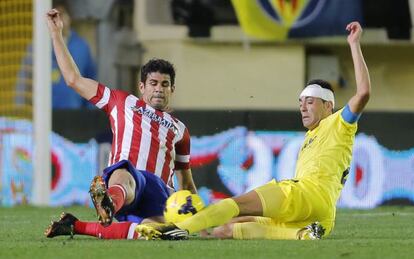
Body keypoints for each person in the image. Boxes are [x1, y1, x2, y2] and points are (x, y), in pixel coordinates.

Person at [134, 21, 371, 240]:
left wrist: (354, 44)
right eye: (301, 103)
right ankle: (303, 235)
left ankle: (177, 229)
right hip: (324, 215)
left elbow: (363, 94)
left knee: (235, 204)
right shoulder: (313, 136)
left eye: (310, 102)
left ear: (328, 105)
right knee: (228, 228)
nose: (303, 108)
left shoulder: (338, 122)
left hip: (303, 195)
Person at [44, 7, 197, 238]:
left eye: (164, 84)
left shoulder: (180, 129)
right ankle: (108, 205)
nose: (158, 89)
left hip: (160, 193)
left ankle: (76, 225)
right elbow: (73, 79)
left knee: (156, 232)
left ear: (172, 89)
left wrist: (199, 215)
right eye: (153, 83)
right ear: (142, 87)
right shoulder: (121, 101)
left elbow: (186, 182)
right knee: (125, 171)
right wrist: (56, 34)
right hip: (128, 182)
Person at [16, 1, 97, 109]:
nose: (58, 19)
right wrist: (20, 109)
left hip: (74, 115)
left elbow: (91, 80)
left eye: (62, 14)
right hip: (43, 115)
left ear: (69, 17)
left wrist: (90, 114)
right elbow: (23, 80)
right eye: (53, 15)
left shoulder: (82, 47)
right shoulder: (36, 47)